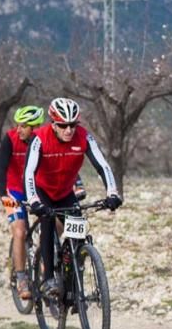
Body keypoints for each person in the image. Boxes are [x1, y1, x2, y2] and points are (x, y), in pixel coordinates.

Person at [24, 97, 122, 297]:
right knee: (48, 223)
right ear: (53, 123)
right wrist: (34, 201)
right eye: (63, 125)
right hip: (43, 191)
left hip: (65, 192)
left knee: (78, 230)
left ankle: (72, 277)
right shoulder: (39, 138)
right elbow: (29, 172)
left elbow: (102, 165)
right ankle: (49, 278)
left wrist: (112, 193)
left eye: (72, 125)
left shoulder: (84, 137)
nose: (69, 130)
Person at [0, 105, 45, 300]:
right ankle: (21, 277)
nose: (19, 130)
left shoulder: (45, 139)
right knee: (19, 230)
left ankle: (46, 261)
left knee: (53, 225)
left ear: (35, 127)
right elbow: (0, 168)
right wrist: (3, 195)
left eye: (24, 126)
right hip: (14, 190)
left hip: (37, 189)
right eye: (18, 125)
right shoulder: (10, 138)